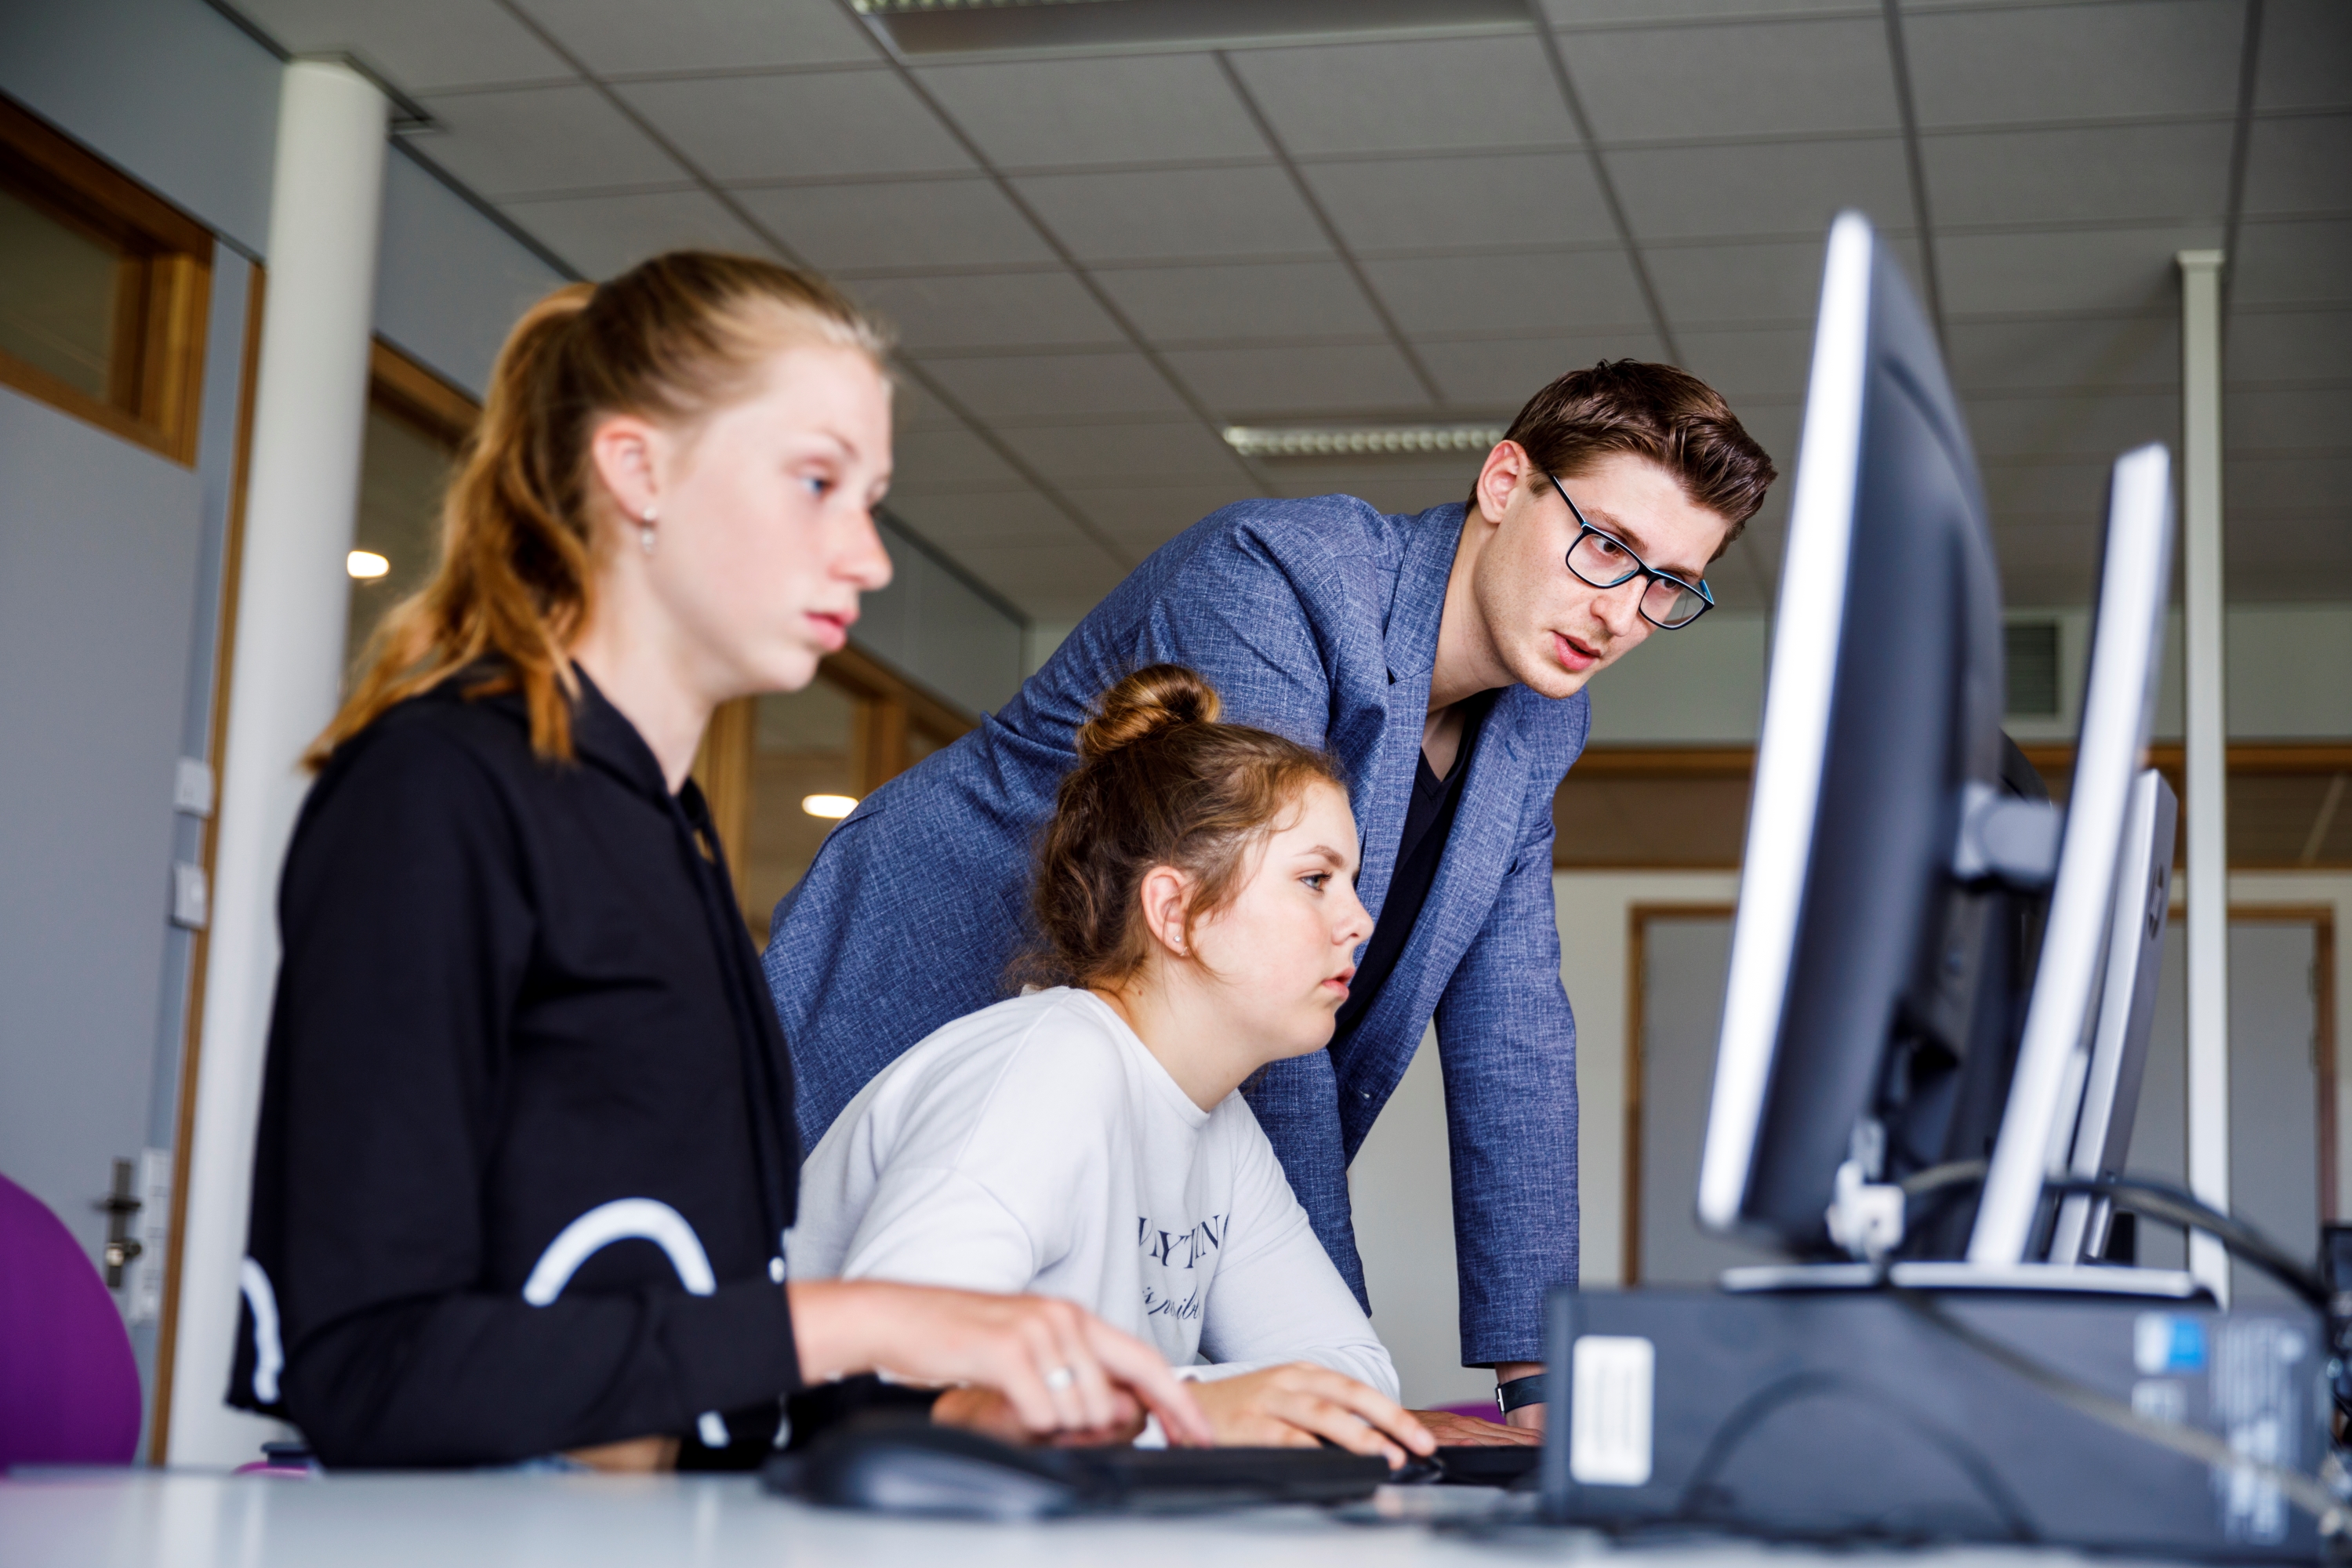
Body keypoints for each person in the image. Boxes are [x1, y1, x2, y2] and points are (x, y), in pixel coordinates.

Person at [227, 253, 1210, 1469]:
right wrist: (862, 1316)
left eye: (872, 497)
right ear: (638, 470)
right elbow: (367, 1370)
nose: (868, 555)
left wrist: (956, 1417)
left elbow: (692, 1362)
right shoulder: (437, 791)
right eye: (816, 482)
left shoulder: (664, 827)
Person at [767, 361, 1775, 1438]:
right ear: (1504, 480)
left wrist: (1537, 1387)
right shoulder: (1278, 581)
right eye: (1607, 546)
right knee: (801, 1373)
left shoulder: (1539, 722)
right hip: (916, 982)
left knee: (1038, 1409)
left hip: (1147, 1078)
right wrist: (1319, 1383)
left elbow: (1515, 1027)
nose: (1623, 611)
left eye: (1668, 582)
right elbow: (1246, 935)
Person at [792, 666, 1438, 1466]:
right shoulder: (1045, 1072)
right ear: (1175, 910)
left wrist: (1169, 1403)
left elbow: (1352, 1379)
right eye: (1314, 879)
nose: (1359, 921)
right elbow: (887, 1380)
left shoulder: (1218, 1122)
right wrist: (1188, 1406)